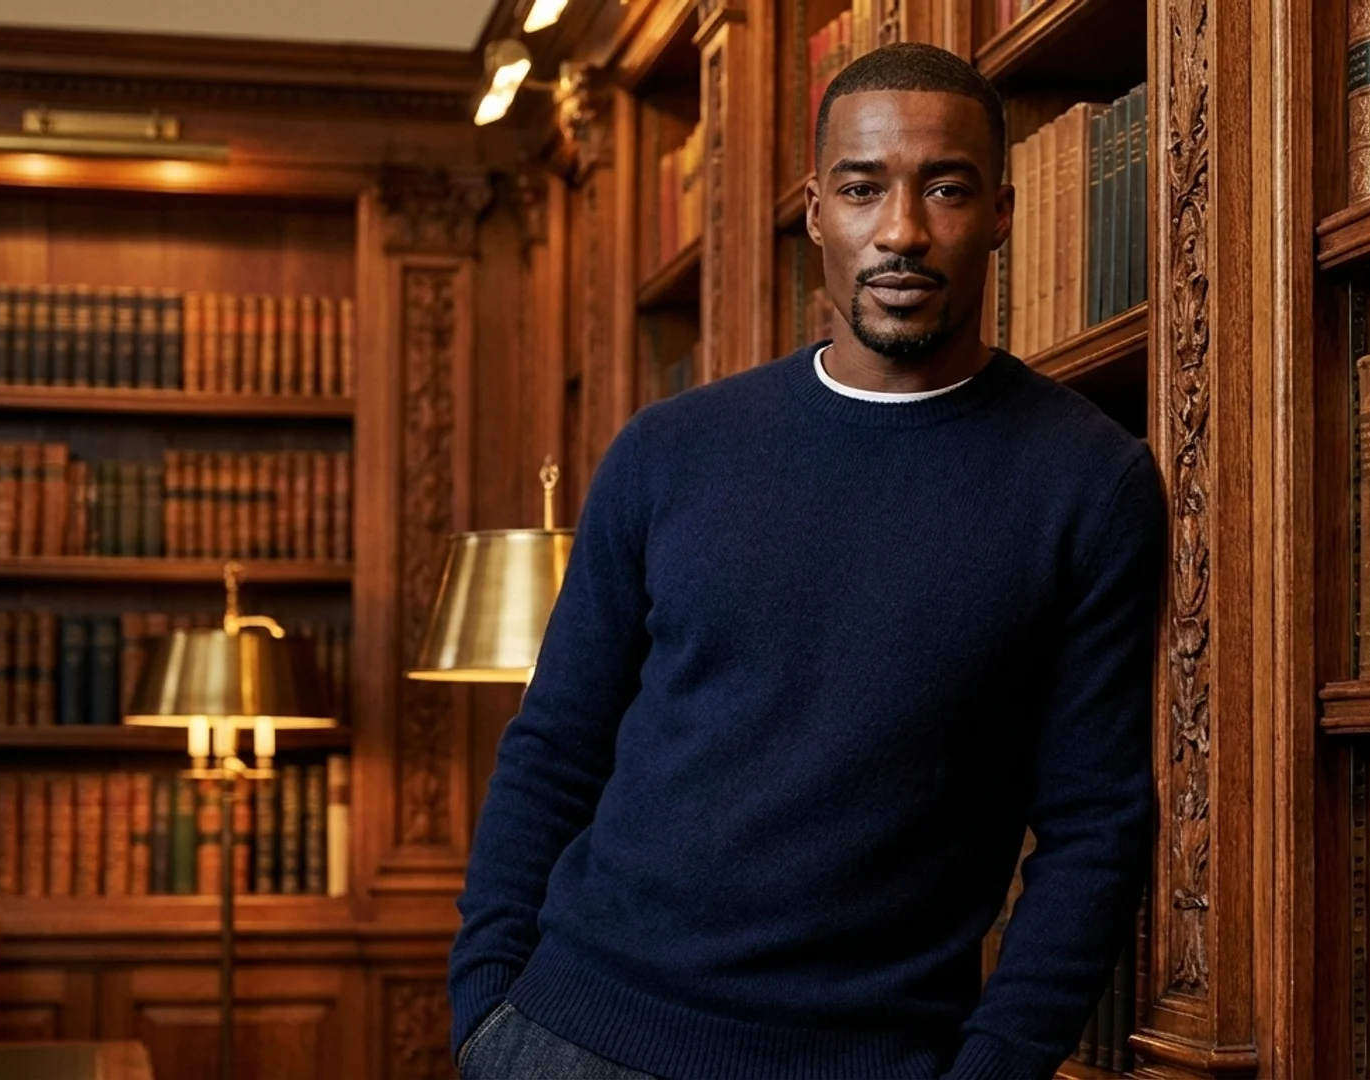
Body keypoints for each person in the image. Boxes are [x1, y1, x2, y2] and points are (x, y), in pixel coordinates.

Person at [448, 41, 1164, 1080]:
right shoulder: (669, 450)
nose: (903, 232)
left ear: (1001, 212)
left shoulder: (1089, 483)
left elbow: (1095, 826)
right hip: (565, 1037)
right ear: (816, 209)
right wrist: (486, 1004)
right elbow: (555, 747)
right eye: (864, 189)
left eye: (947, 189)